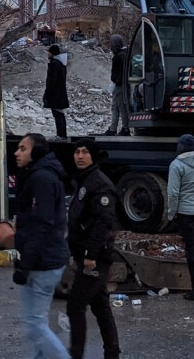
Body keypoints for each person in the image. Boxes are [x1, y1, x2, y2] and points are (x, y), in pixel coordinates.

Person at [13, 132, 71, 359]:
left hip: (43, 262)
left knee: (34, 324)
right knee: (38, 322)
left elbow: (41, 225)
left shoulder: (42, 179)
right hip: (45, 259)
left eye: (23, 149)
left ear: (36, 152)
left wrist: (25, 264)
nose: (17, 153)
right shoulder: (39, 175)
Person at [66, 138, 121, 359]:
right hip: (84, 254)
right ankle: (112, 352)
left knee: (75, 306)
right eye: (77, 152)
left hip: (95, 258)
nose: (80, 156)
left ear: (93, 156)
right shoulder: (85, 180)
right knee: (100, 305)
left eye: (85, 152)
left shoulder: (100, 184)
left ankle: (76, 354)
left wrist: (91, 255)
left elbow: (103, 223)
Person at [167, 134, 194, 301]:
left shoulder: (177, 165)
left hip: (187, 212)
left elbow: (173, 193)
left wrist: (171, 213)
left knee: (191, 250)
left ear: (181, 147)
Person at [103, 34, 130, 136]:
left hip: (120, 85)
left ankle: (125, 128)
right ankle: (113, 128)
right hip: (119, 84)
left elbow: (118, 73)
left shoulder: (120, 56)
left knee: (121, 107)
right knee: (115, 107)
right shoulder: (124, 54)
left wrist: (116, 80)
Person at [43, 44, 69, 140]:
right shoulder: (61, 64)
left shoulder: (54, 65)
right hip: (61, 93)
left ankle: (61, 135)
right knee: (60, 114)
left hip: (55, 94)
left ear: (52, 53)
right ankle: (62, 135)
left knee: (58, 115)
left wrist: (47, 93)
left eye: (49, 52)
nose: (48, 54)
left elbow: (51, 81)